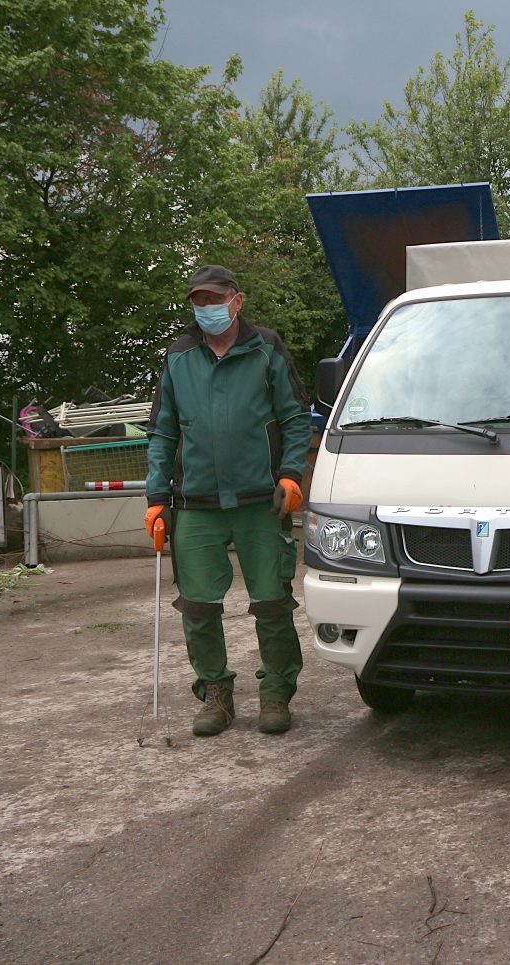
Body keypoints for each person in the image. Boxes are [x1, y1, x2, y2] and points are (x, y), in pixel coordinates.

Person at [144, 265, 311, 737]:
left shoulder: (266, 349)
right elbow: (161, 432)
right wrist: (157, 498)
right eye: (199, 301)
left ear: (238, 301)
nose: (207, 309)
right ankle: (215, 693)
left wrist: (291, 475)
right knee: (197, 606)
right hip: (194, 504)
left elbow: (296, 418)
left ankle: (276, 690)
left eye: (215, 299)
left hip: (261, 500)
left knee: (273, 602)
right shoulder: (179, 357)